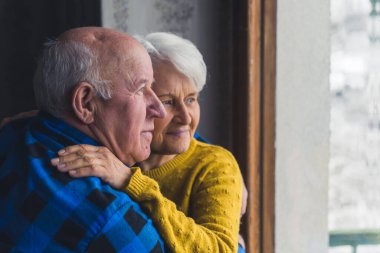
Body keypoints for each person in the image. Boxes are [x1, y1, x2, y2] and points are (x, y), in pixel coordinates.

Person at [50, 32, 245, 253]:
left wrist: (131, 182)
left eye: (191, 99)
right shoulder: (114, 149)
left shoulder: (214, 165)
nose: (186, 117)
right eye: (168, 101)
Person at [0, 27, 167, 252]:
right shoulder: (110, 218)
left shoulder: (10, 132)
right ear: (86, 103)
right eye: (140, 89)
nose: (159, 109)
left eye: (153, 88)